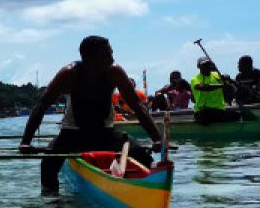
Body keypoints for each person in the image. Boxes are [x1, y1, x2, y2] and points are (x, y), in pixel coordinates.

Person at [20, 36, 161, 193]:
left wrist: (157, 139)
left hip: (105, 134)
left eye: (111, 54)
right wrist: (26, 141)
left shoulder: (115, 72)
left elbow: (138, 106)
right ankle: (53, 205)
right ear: (89, 58)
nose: (112, 59)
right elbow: (42, 105)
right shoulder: (69, 74)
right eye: (106, 55)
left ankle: (147, 188)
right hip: (72, 135)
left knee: (143, 157)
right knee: (47, 165)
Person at [191, 58, 240, 125]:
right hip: (202, 111)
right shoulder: (195, 79)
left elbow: (232, 86)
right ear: (198, 66)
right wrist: (221, 86)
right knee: (205, 116)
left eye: (208, 64)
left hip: (219, 110)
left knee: (237, 115)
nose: (206, 66)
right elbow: (203, 87)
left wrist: (229, 79)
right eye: (204, 65)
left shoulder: (217, 75)